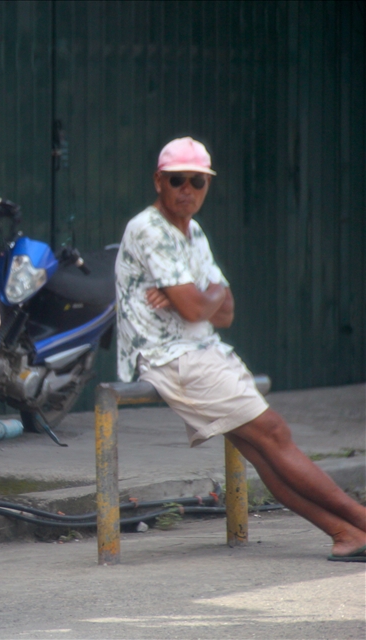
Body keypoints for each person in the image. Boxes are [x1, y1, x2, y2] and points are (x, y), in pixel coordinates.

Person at [115, 137, 366, 563]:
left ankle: (346, 534)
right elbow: (199, 308)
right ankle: (360, 521)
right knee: (274, 435)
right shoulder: (149, 228)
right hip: (171, 358)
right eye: (177, 180)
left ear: (207, 185)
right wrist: (202, 296)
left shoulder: (193, 231)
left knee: (264, 450)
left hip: (205, 349)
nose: (187, 190)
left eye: (197, 181)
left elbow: (225, 312)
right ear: (159, 181)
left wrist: (200, 296)